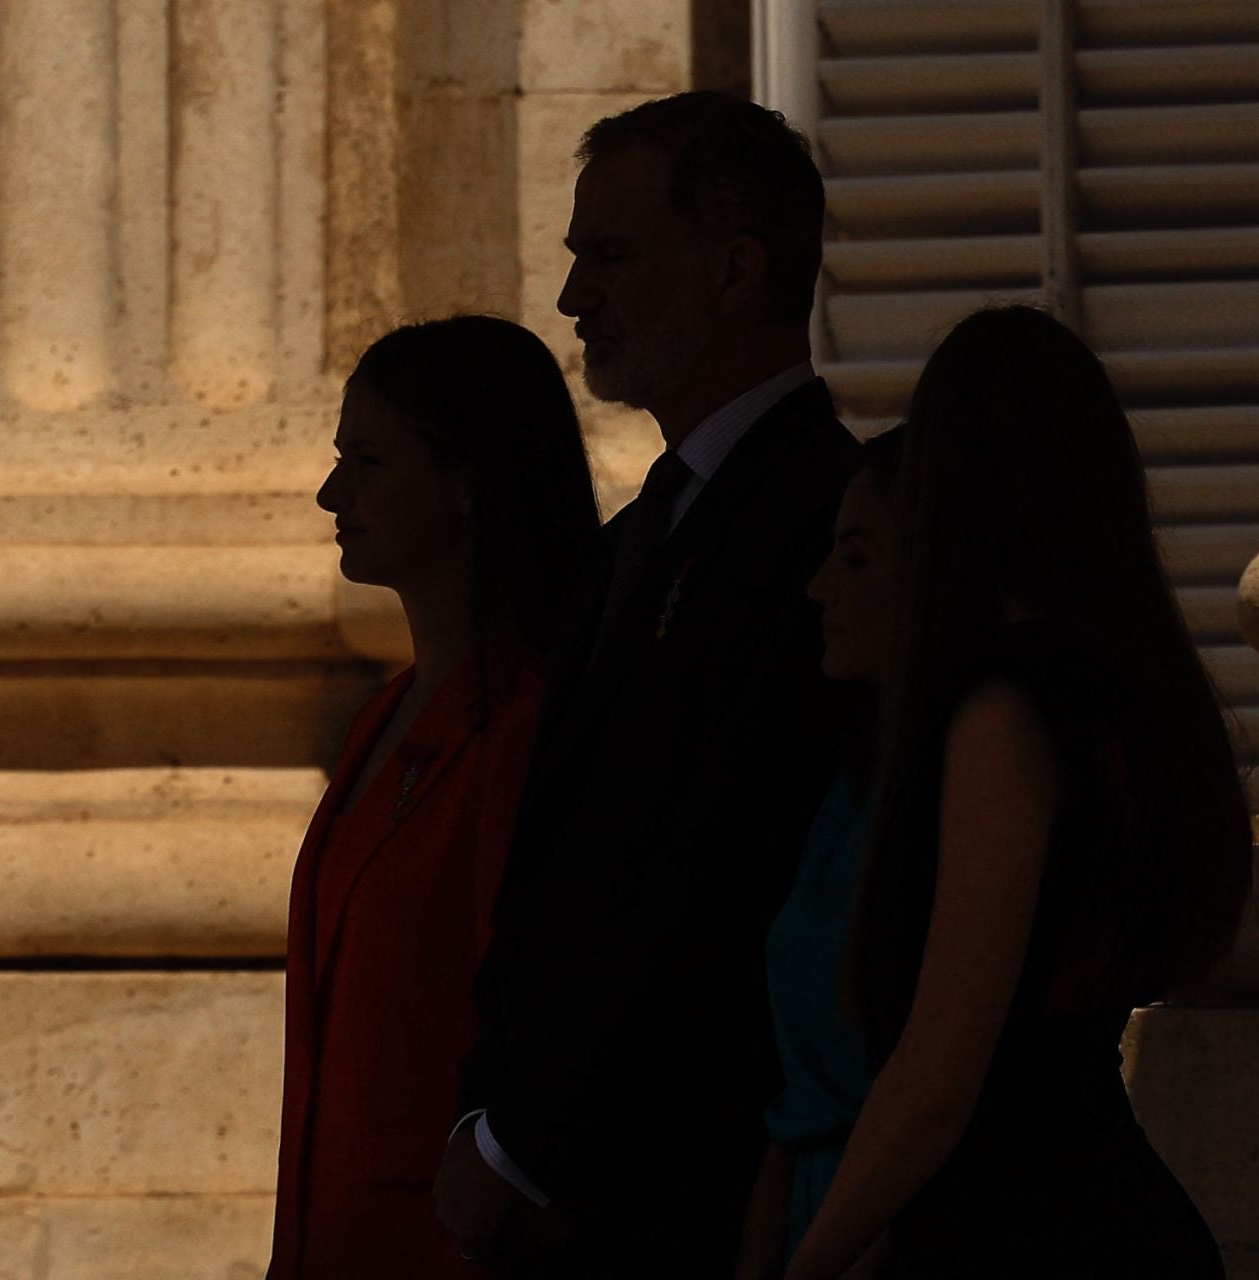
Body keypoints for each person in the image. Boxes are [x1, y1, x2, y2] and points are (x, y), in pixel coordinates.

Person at [433, 91, 860, 1275]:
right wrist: (485, 1119)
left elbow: (720, 866)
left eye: (611, 257)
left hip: (696, 1200)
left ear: (734, 270)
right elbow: (549, 876)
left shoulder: (825, 524)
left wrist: (523, 1142)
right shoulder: (641, 539)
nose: (575, 300)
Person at [782, 306, 1252, 1280]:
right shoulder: (1122, 693)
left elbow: (940, 1079)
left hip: (1030, 1233)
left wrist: (810, 1262)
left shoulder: (1007, 711)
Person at [268, 315, 600, 1279]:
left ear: (469, 484)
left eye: (369, 461)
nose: (335, 493)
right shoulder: (381, 722)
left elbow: (529, 1032)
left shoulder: (528, 731)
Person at [735, 430, 902, 1279]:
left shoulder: (957, 790)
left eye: (860, 563)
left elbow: (925, 1104)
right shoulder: (848, 791)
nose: (819, 588)